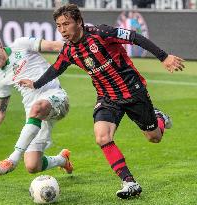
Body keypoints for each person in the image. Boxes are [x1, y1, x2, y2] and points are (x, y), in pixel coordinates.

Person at [18, 4, 185, 199]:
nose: (62, 30)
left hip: (133, 92)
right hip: (107, 97)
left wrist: (163, 57)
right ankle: (129, 182)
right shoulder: (69, 51)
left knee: (154, 137)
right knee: (102, 137)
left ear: (78, 21)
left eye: (66, 24)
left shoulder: (102, 33)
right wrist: (36, 84)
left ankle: (159, 117)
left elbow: (135, 37)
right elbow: (56, 68)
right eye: (58, 25)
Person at [0, 34, 73, 176]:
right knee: (33, 166)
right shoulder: (0, 77)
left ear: (0, 46)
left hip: (56, 98)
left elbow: (54, 46)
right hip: (34, 116)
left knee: (37, 107)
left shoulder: (21, 44)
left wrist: (81, 49)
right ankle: (62, 160)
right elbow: (0, 112)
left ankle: (12, 159)